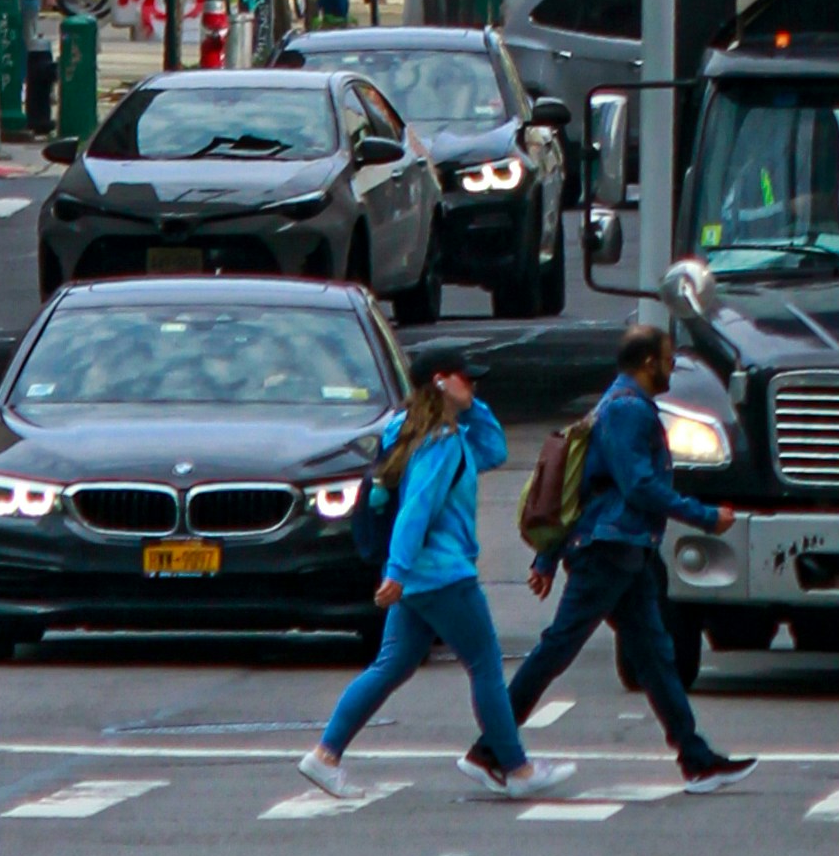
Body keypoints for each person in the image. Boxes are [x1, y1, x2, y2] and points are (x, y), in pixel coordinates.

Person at [297, 353, 567, 802]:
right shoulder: (440, 441)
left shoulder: (412, 432)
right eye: (468, 381)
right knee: (483, 664)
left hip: (420, 577)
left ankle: (326, 755)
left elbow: (493, 450)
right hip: (442, 574)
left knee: (393, 665)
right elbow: (416, 510)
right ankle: (516, 768)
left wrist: (470, 407)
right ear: (442, 383)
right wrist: (398, 571)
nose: (475, 388)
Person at [509, 322, 757, 788]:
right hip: (609, 549)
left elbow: (581, 489)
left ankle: (696, 759)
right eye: (667, 359)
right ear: (648, 363)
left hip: (625, 550)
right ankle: (494, 748)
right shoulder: (629, 412)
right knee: (560, 646)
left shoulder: (615, 403)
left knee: (656, 657)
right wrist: (705, 517)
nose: (671, 368)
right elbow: (639, 486)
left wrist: (547, 557)